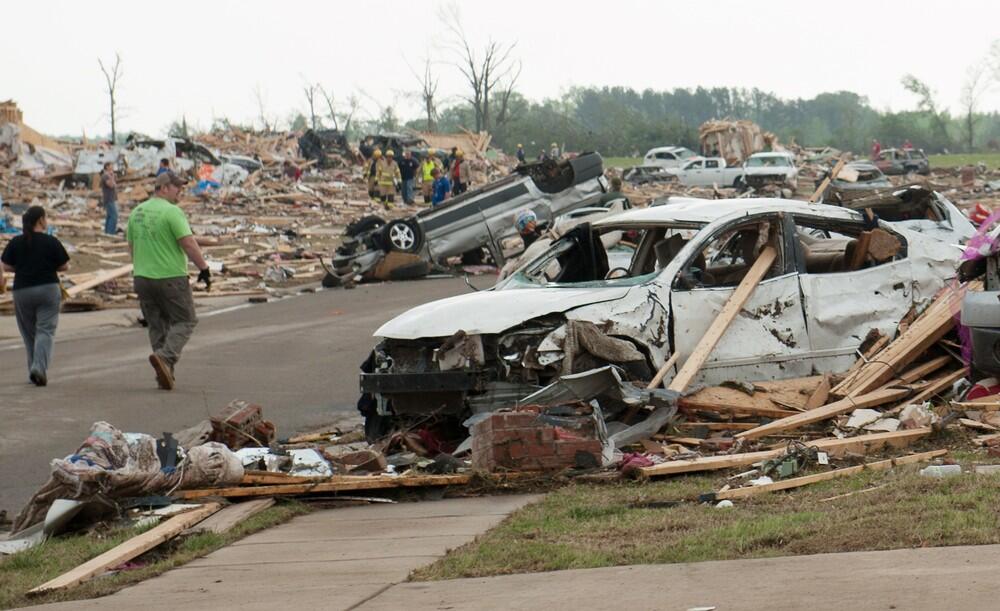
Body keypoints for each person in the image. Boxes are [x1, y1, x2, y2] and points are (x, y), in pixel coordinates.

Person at [127, 172, 212, 390]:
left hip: (143, 277)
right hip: (170, 276)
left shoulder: (136, 213)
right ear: (164, 188)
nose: (180, 192)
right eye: (177, 188)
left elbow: (132, 247)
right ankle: (166, 358)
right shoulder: (172, 212)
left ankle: (164, 374)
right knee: (186, 320)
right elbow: (188, 243)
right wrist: (203, 267)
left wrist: (141, 267)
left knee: (158, 325)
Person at [1, 206, 70, 386]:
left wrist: (22, 267)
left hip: (22, 291)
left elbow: (6, 265)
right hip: (48, 289)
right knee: (45, 330)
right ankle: (39, 368)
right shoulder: (51, 241)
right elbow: (65, 266)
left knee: (29, 333)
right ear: (40, 220)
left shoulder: (16, 242)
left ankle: (34, 367)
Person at [100, 162, 118, 235]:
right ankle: (111, 232)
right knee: (114, 216)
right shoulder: (105, 176)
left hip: (111, 199)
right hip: (109, 199)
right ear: (107, 167)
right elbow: (110, 185)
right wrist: (112, 176)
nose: (113, 167)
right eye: (111, 166)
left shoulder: (108, 175)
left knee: (109, 216)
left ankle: (107, 232)